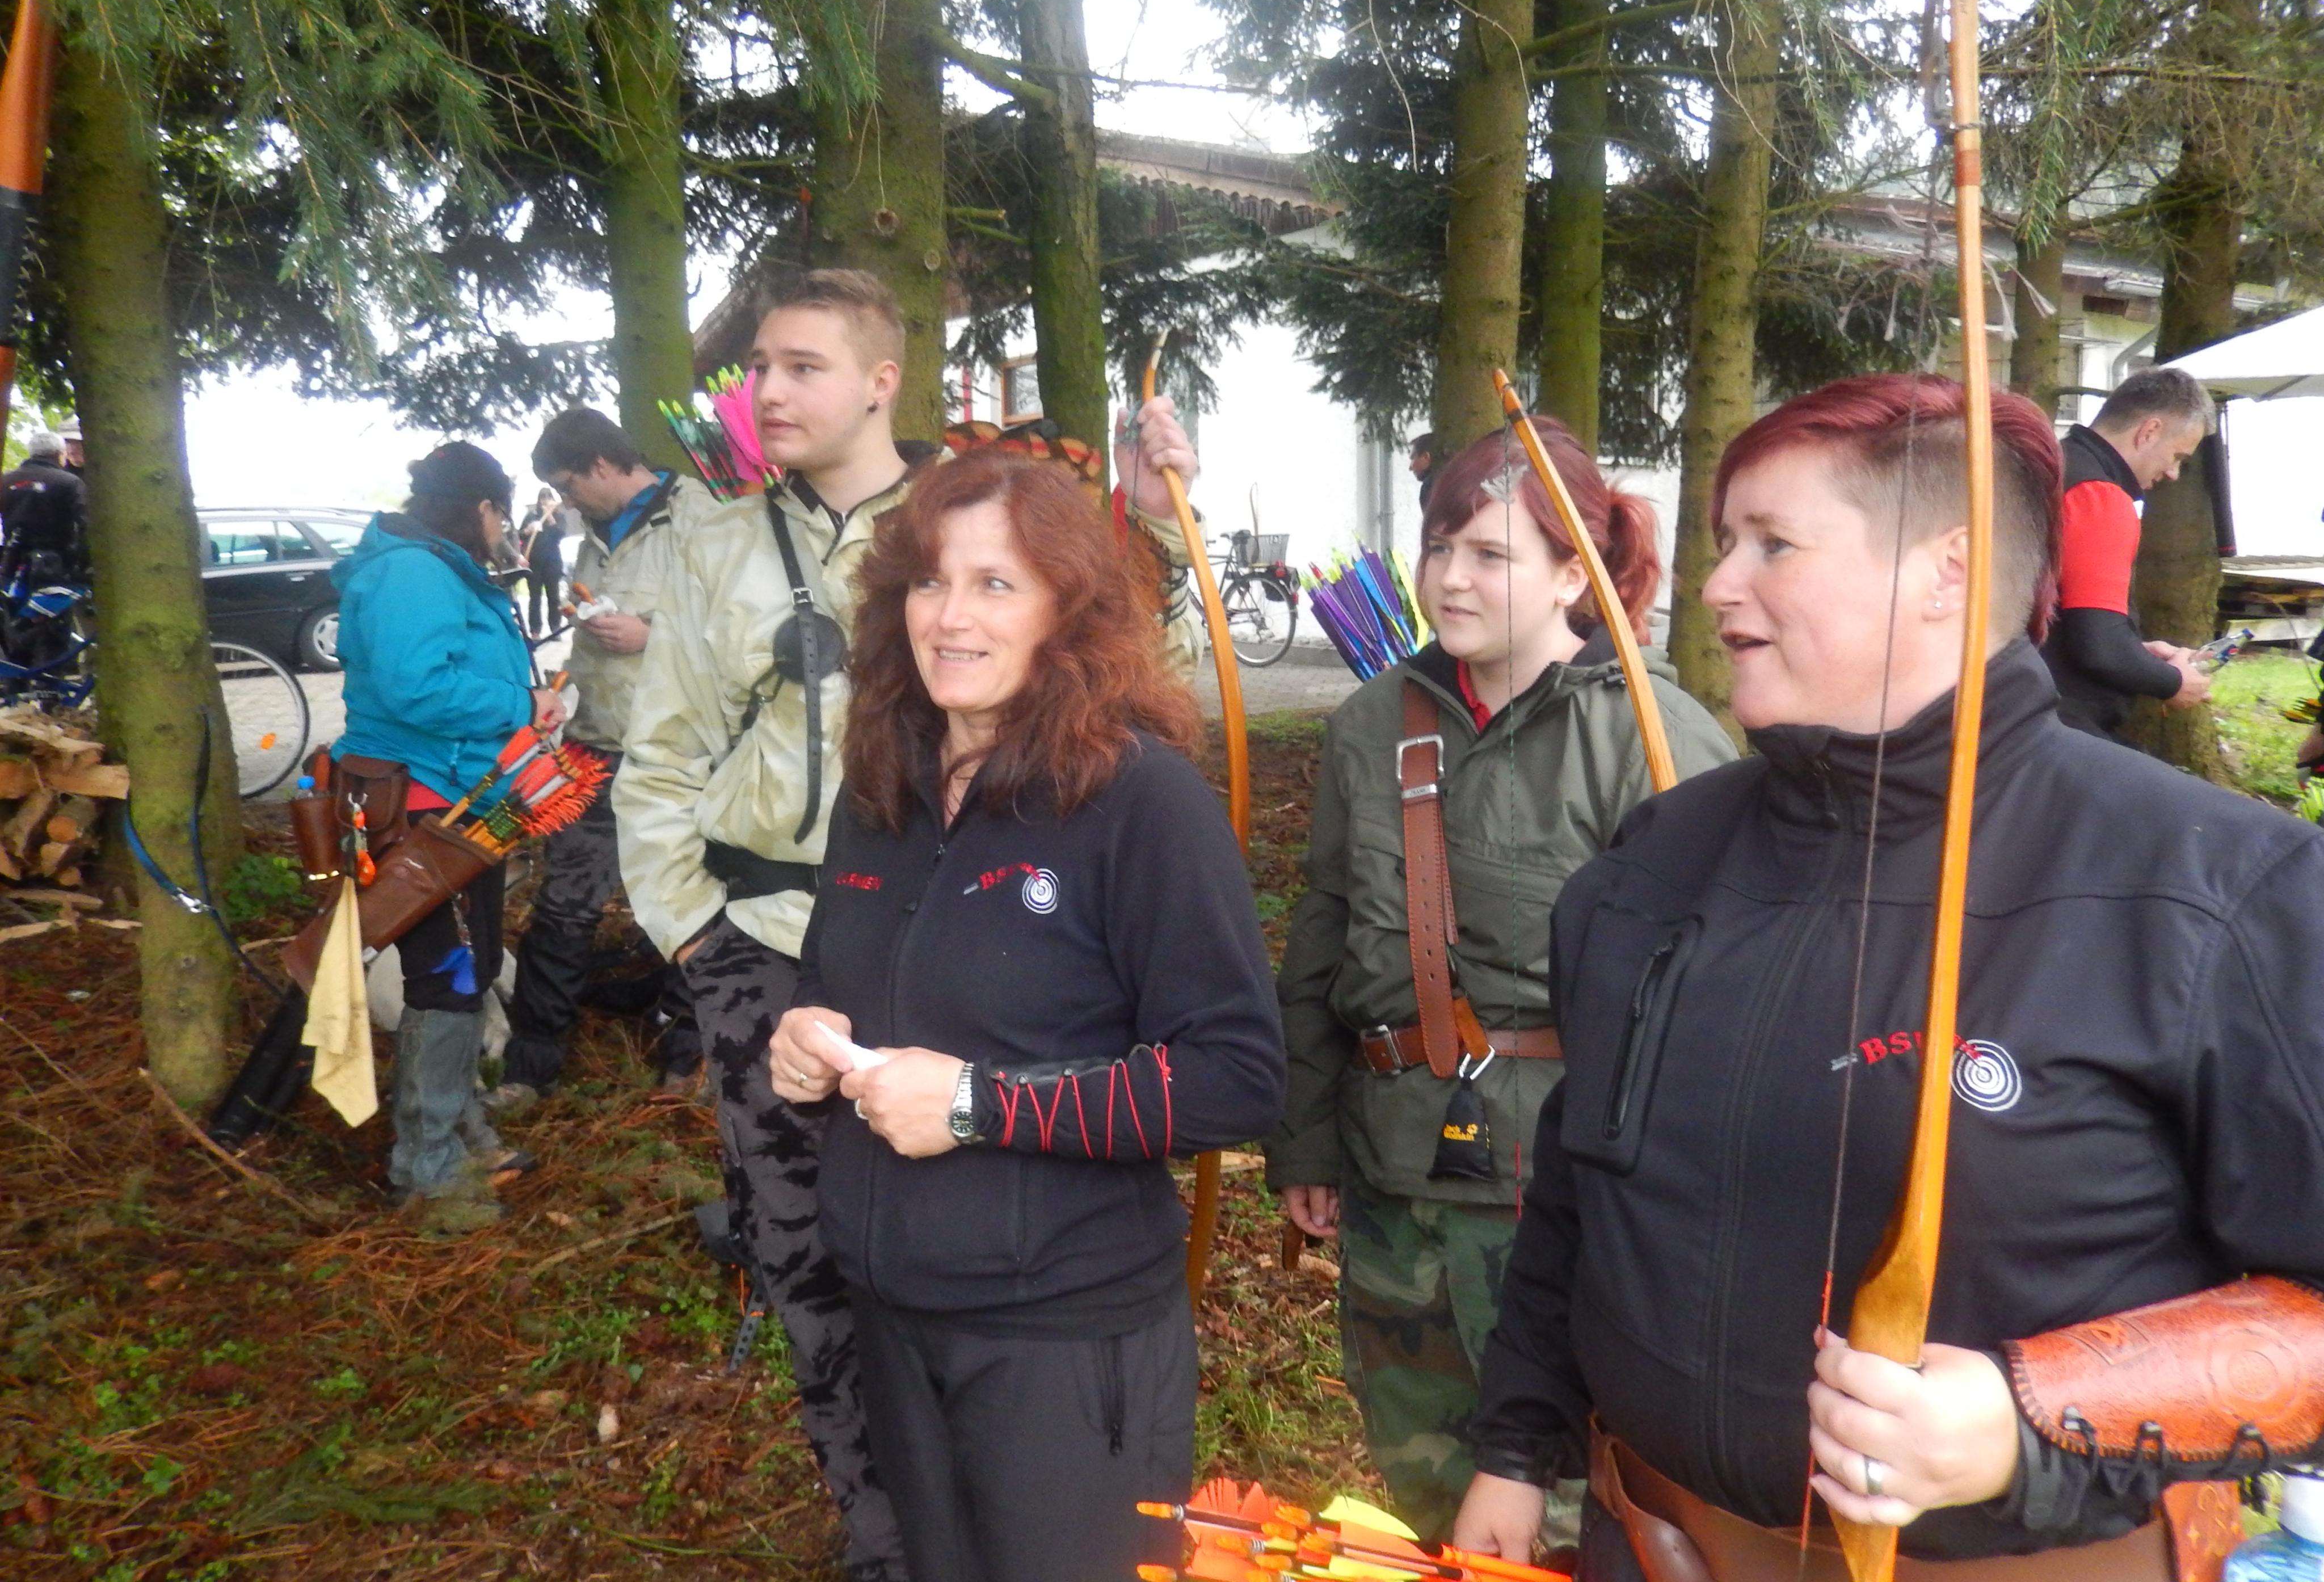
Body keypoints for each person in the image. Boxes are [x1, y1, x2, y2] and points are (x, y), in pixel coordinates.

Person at [1451, 374, 2324, 1579]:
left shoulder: (2215, 889)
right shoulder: (1653, 861)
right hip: (1647, 1539)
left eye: (1772, 543)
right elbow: (1576, 1192)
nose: (1715, 585)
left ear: (1946, 571)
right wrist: (1514, 1445)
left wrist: (2032, 1414)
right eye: (1724, 542)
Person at [614, 268, 1207, 1581]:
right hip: (783, 938)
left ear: (882, 380)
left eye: (803, 365)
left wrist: (1154, 516)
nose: (769, 391)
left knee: (969, 1190)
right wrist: (699, 945)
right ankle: (885, 1526)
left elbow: (1110, 640)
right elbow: (657, 758)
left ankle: (1025, 1488)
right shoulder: (715, 543)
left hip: (977, 932)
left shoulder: (968, 511)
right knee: (806, 1244)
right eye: (758, 366)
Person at [770, 448, 1285, 1581]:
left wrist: (975, 1105)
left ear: (1066, 609)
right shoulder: (883, 786)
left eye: (994, 584)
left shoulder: (1138, 798)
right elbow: (834, 976)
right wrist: (804, 1034)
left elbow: (1236, 1075)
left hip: (1062, 1333)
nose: (949, 616)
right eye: (928, 580)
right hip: (893, 1312)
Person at [1265, 418, 1734, 1547]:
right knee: (1424, 1486)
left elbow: (1710, 999)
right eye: (1439, 547)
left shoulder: (1650, 733)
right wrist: (1306, 1143)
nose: (1450, 578)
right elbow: (1325, 938)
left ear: (1573, 574)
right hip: (1391, 1177)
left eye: (1490, 553)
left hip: (1556, 1202)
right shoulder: (1371, 723)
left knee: (1564, 1508)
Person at [332, 441, 565, 1233]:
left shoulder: (438, 567)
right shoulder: (414, 572)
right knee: (447, 979)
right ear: (485, 507)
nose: (506, 529)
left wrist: (521, 702)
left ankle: (462, 1132)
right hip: (423, 809)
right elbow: (417, 685)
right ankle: (424, 1168)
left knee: (473, 967)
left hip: (463, 802)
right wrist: (520, 705)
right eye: (504, 513)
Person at [483, 407, 717, 1116]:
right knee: (563, 904)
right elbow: (593, 635)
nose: (567, 501)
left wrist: (655, 633)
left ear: (606, 466)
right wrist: (562, 694)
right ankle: (531, 1068)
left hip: (681, 751)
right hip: (594, 746)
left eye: (570, 485)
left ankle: (688, 1059)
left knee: (690, 904)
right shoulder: (590, 534)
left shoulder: (704, 518)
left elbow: (743, 628)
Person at [2037, 367, 2215, 738]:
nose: (2173, 473)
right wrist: (2173, 682)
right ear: (2149, 432)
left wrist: (2136, 651)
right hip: (2057, 720)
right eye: (2178, 456)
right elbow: (2099, 646)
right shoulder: (2099, 496)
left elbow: (2064, 619)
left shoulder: (2050, 465)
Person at [1, 429, 89, 586]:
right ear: (60, 454)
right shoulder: (70, 482)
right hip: (56, 563)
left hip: (12, 560)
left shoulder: (6, 480)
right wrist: (81, 561)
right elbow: (85, 523)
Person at [519, 487, 566, 637]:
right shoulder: (532, 516)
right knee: (535, 597)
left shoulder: (559, 516)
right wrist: (527, 531)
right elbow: (519, 535)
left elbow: (560, 535)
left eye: (548, 498)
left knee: (554, 596)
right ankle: (535, 631)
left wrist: (551, 519)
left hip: (552, 562)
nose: (545, 501)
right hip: (534, 562)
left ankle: (555, 628)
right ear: (539, 501)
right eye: (542, 498)